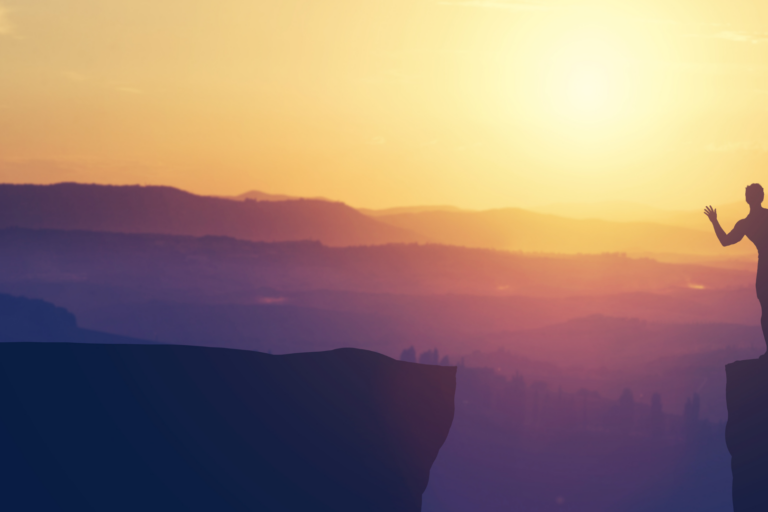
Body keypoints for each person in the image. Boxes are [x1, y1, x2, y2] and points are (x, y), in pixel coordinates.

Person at [705, 183, 768, 350]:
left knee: (766, 311)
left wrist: (714, 221)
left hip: (764, 268)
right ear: (761, 197)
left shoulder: (745, 224)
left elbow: (725, 241)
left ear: (747, 199)